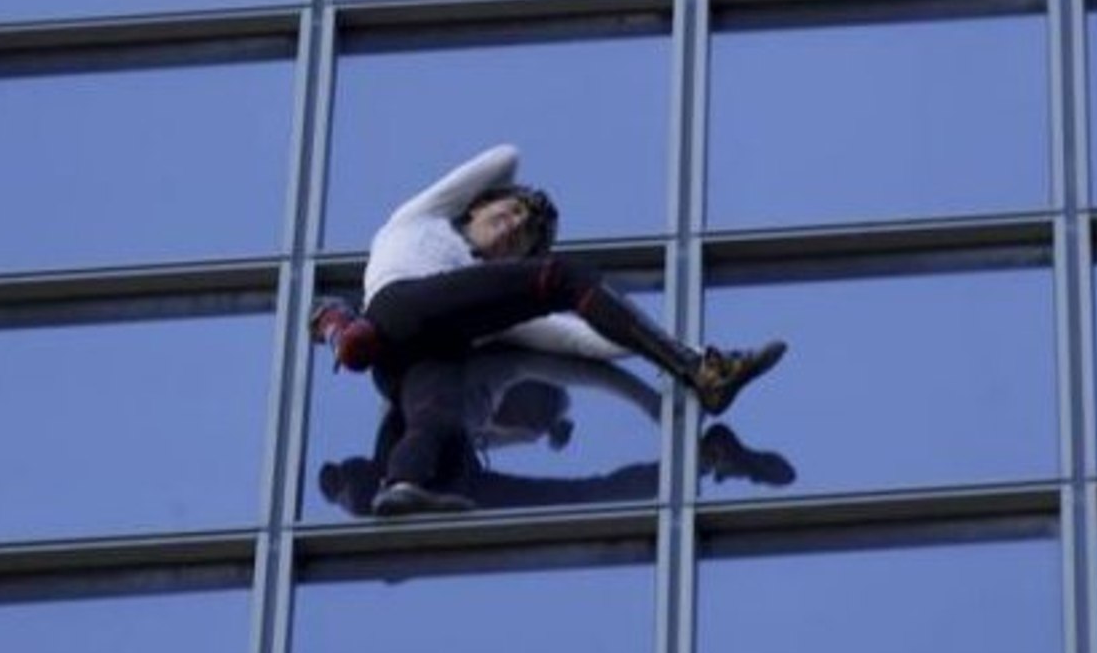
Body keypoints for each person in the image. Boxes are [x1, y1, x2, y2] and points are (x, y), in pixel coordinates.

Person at [312, 144, 786, 516]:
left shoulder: (489, 304)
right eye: (508, 214)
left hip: (408, 361)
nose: (512, 228)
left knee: (438, 421)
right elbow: (506, 156)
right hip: (401, 305)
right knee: (562, 278)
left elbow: (583, 341)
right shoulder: (425, 220)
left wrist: (672, 348)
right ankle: (699, 372)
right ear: (473, 207)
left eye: (521, 237)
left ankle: (402, 484)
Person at [318, 346, 795, 517]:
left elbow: (583, 378)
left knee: (585, 496)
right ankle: (707, 459)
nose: (523, 424)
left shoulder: (494, 396)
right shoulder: (479, 376)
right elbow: (588, 377)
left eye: (532, 420)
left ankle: (707, 460)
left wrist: (658, 409)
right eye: (529, 417)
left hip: (450, 480)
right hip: (419, 462)